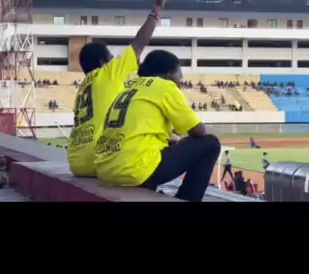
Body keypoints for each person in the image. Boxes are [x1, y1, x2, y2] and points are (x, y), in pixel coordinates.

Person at [68, 0, 168, 178]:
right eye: (111, 57)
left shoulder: (83, 88)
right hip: (97, 159)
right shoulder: (108, 73)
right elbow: (139, 43)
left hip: (76, 162)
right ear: (102, 62)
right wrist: (157, 10)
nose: (115, 60)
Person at [94, 51, 221, 202]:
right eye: (179, 75)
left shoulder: (127, 87)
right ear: (169, 74)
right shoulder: (165, 86)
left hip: (106, 171)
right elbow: (198, 131)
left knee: (165, 145)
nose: (180, 81)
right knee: (211, 143)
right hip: (133, 170)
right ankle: (187, 198)